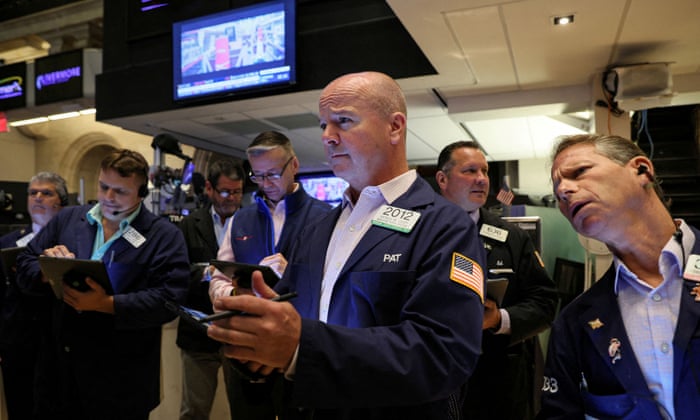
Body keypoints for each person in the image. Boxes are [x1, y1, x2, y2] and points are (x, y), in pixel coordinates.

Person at [207, 71, 487, 419]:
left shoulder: (445, 226)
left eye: (343, 121)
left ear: (395, 128)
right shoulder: (320, 227)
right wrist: (259, 339)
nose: (327, 137)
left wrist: (301, 345)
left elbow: (444, 354)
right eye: (323, 124)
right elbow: (292, 317)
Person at [15, 149, 190, 420]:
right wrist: (46, 269)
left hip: (121, 380)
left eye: (120, 191)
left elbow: (169, 299)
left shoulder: (163, 236)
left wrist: (107, 305)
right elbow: (24, 261)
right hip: (59, 373)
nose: (108, 197)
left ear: (141, 192)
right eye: (104, 186)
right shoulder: (68, 219)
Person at [539, 133, 700, 419]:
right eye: (557, 193)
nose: (564, 191)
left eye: (580, 172)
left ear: (641, 169)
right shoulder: (574, 323)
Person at [208, 130, 332, 419]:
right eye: (258, 176)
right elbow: (217, 279)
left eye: (273, 174)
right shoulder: (241, 218)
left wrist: (294, 274)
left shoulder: (326, 216)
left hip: (299, 342)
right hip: (247, 343)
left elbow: (334, 285)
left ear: (294, 166)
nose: (266, 184)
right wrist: (236, 294)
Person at [435, 141, 558, 419]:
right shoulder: (418, 231)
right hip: (434, 376)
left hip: (496, 384)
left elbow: (545, 302)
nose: (481, 179)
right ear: (442, 179)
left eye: (485, 171)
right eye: (469, 171)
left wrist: (498, 319)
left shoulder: (512, 236)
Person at [176, 158, 246, 420]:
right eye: (225, 191)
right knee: (194, 411)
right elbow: (177, 271)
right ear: (209, 189)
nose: (231, 198)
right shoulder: (189, 224)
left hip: (239, 331)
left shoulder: (252, 222)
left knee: (244, 408)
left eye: (237, 192)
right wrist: (208, 273)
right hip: (198, 332)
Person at [0, 171, 68, 419]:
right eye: (32, 193)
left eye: (46, 193)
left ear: (61, 201)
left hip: (58, 340)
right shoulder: (8, 242)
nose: (38, 197)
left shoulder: (71, 243)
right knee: (20, 407)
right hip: (17, 341)